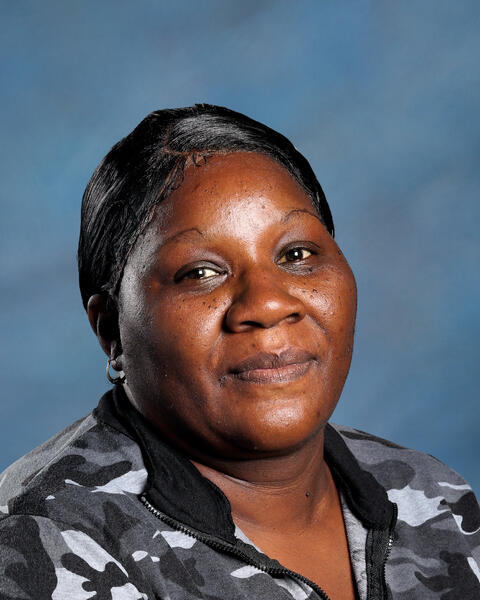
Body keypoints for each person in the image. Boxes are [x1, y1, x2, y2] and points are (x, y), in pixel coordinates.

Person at [0, 105, 478, 600]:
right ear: (110, 330)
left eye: (297, 254)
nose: (268, 304)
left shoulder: (435, 498)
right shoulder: (41, 547)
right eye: (200, 273)